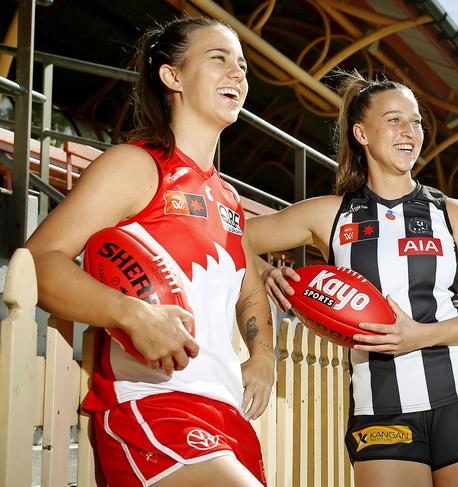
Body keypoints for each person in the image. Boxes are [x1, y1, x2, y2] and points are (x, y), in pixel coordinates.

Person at [25, 17, 274, 487]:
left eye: (242, 66)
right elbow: (38, 262)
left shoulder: (228, 200)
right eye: (218, 59)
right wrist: (130, 313)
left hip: (225, 415)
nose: (238, 74)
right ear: (172, 76)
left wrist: (263, 357)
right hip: (154, 407)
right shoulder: (136, 166)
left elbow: (250, 292)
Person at [247, 70, 458, 487]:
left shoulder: (453, 213)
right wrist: (266, 271)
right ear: (361, 133)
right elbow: (234, 236)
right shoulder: (329, 214)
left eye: (415, 121)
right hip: (381, 409)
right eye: (394, 120)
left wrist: (420, 336)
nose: (409, 131)